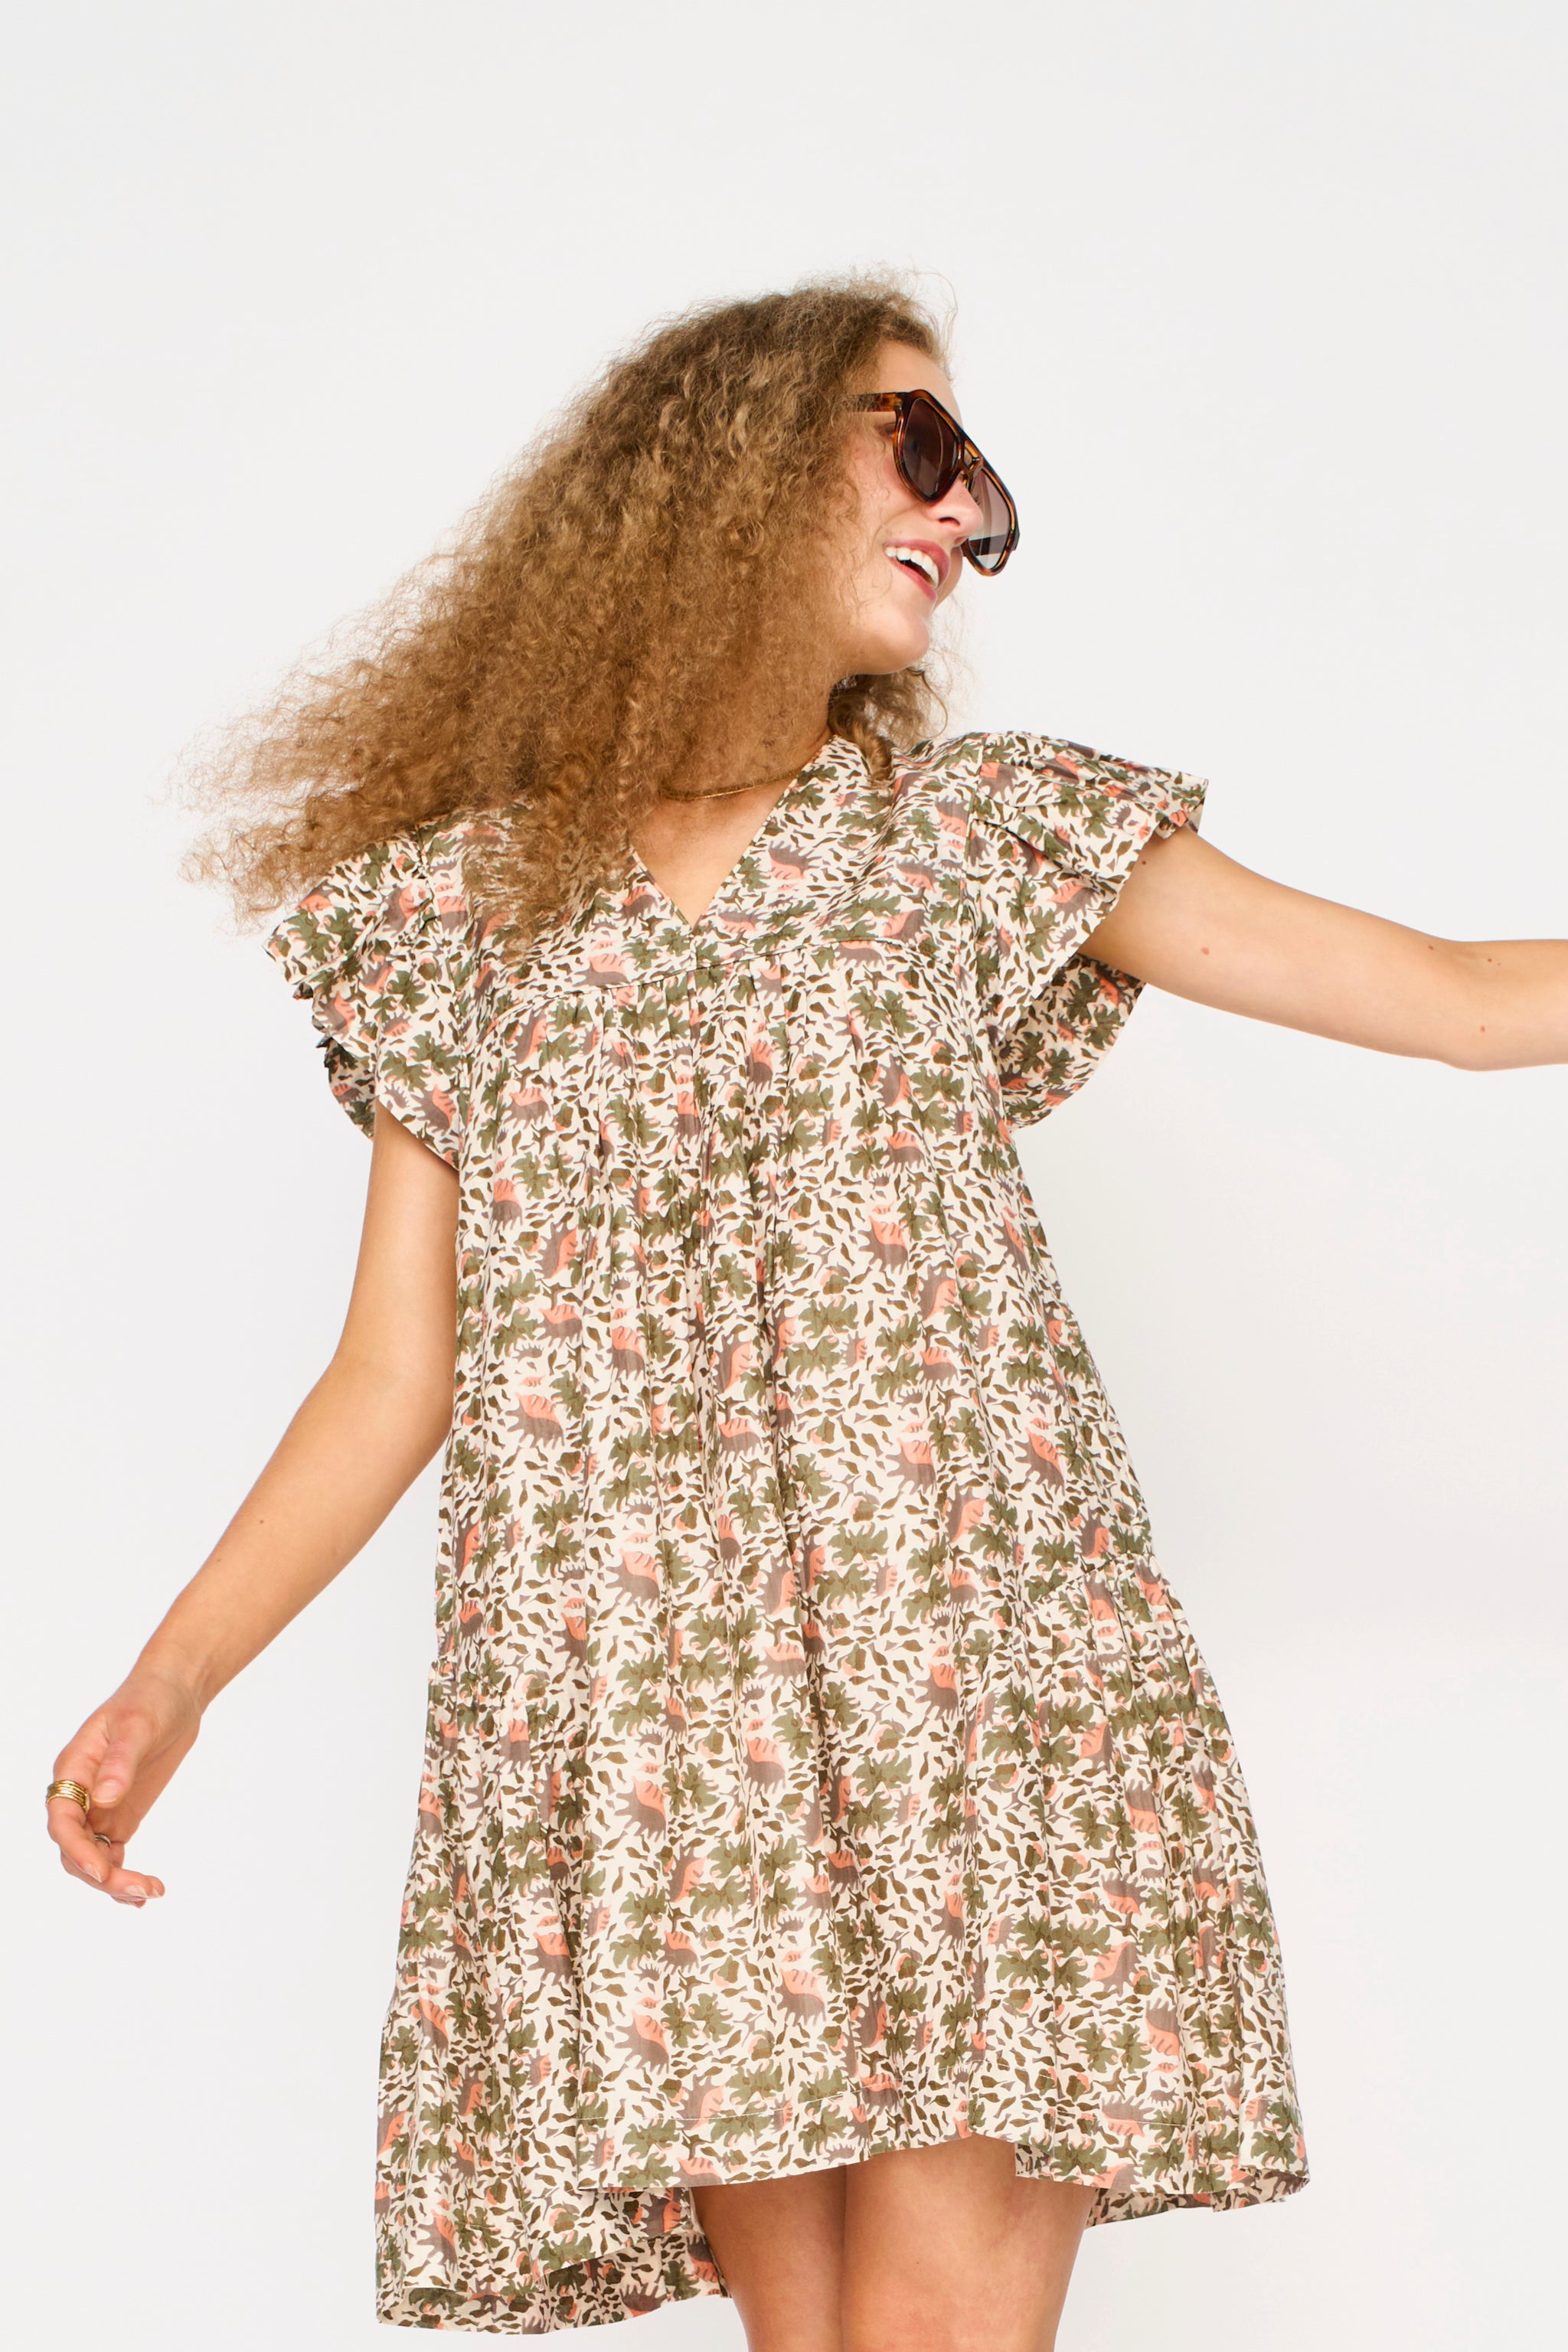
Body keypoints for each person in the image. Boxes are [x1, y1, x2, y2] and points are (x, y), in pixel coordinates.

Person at [44, 277, 1566, 2351]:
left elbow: (1464, 1000)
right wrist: (172, 1683)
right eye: (919, 446)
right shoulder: (467, 917)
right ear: (733, 467)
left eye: (981, 480)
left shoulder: (978, 835)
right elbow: (395, 1370)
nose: (969, 513)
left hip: (969, 1693)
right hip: (675, 1731)